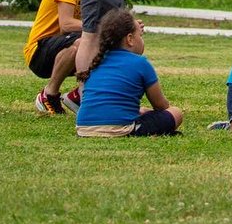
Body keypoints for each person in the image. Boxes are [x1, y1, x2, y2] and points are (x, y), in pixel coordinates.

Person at [74, 8, 183, 138]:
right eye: (140, 36)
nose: (142, 40)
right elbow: (161, 106)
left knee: (141, 111)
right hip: (119, 129)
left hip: (83, 128)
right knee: (176, 112)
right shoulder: (140, 63)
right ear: (130, 39)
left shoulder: (96, 62)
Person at [25, 0, 83, 115]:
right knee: (84, 42)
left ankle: (78, 96)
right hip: (39, 51)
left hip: (74, 39)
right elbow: (66, 24)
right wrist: (105, 27)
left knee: (131, 41)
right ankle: (49, 94)